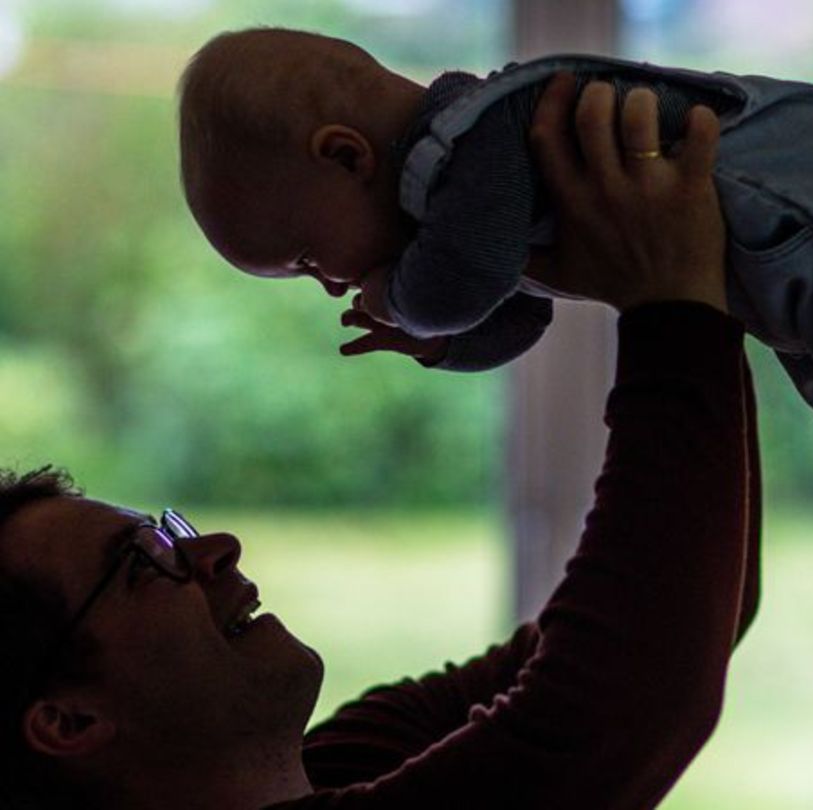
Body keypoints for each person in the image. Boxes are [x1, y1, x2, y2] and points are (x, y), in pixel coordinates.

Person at [178, 27, 813, 694]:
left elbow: (469, 277)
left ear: (346, 155)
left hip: (808, 191)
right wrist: (444, 341)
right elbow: (515, 311)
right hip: (776, 238)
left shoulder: (475, 140)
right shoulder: (470, 189)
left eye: (303, 258)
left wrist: (404, 302)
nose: (326, 281)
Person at [0, 74, 760, 809]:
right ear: (68, 722)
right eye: (144, 565)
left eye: (171, 533)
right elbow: (614, 704)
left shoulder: (347, 760)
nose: (217, 548)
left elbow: (686, 615)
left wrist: (696, 286)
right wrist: (676, 307)